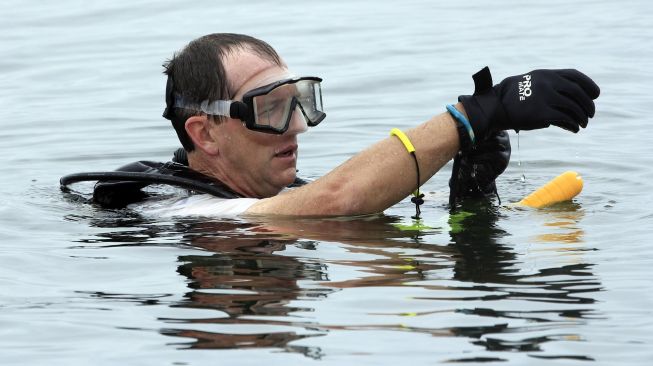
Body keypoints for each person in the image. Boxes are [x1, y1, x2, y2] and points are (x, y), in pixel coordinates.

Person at [88, 33, 599, 217]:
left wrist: (471, 192)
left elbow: (352, 214)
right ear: (204, 134)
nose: (297, 127)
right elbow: (341, 199)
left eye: (300, 103)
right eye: (270, 109)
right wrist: (476, 114)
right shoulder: (185, 210)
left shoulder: (279, 196)